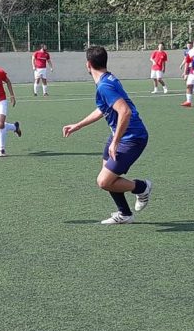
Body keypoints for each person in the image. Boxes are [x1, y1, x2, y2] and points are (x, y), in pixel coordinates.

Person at [62, 46, 152, 225]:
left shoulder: (104, 85)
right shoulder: (108, 79)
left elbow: (124, 112)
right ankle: (124, 214)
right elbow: (104, 109)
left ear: (88, 65)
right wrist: (78, 125)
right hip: (121, 134)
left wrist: (116, 142)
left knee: (104, 181)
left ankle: (142, 187)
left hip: (132, 137)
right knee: (109, 176)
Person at [179, 41, 194, 107]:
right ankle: (188, 101)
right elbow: (187, 61)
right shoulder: (189, 52)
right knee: (188, 85)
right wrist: (185, 72)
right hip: (191, 70)